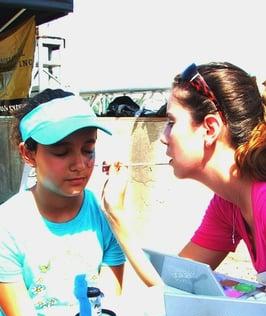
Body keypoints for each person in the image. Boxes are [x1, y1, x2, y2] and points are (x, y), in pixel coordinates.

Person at [101, 61, 266, 283]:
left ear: (210, 129)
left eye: (171, 122)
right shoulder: (228, 204)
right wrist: (116, 214)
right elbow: (177, 284)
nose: (162, 137)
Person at [0, 88, 129, 316]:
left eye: (88, 150)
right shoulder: (7, 227)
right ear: (28, 154)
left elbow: (108, 313)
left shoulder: (103, 215)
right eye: (61, 151)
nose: (80, 164)